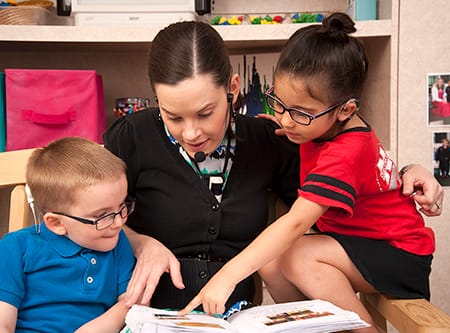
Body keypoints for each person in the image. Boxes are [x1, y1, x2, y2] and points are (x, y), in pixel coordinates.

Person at [103, 20, 443, 312]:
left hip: (235, 314)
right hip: (145, 313)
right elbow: (80, 209)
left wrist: (407, 172)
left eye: (205, 113)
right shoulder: (133, 135)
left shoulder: (272, 139)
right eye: (172, 116)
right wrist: (138, 241)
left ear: (233, 90)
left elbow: (348, 174)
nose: (190, 132)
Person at [0, 137, 136, 333]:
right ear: (56, 223)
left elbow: (132, 302)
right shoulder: (15, 248)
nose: (118, 223)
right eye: (102, 216)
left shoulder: (116, 242)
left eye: (122, 206)